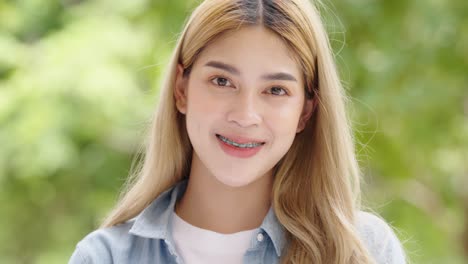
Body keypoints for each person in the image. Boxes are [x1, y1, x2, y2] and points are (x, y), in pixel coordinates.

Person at [69, 0, 406, 263]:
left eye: (275, 90)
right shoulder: (105, 257)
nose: (245, 116)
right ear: (181, 90)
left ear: (305, 111)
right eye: (222, 81)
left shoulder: (363, 252)